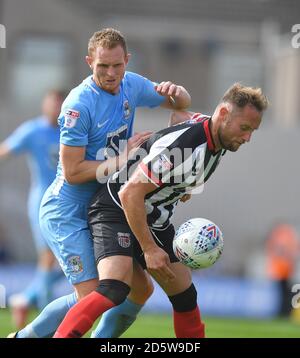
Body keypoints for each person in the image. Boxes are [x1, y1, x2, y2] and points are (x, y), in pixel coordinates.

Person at [10, 28, 191, 338]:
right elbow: (72, 172)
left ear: (127, 61)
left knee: (139, 290)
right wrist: (124, 159)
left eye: (117, 66)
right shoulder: (78, 105)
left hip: (102, 208)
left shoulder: (130, 84)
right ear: (89, 62)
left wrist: (176, 92)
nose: (110, 73)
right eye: (102, 66)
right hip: (66, 211)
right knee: (94, 293)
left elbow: (180, 104)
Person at [53, 82, 269, 338]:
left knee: (185, 295)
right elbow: (130, 193)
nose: (247, 137)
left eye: (252, 131)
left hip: (153, 215)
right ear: (223, 114)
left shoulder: (213, 134)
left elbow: (180, 116)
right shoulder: (182, 149)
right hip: (117, 209)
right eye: (244, 128)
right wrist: (149, 249)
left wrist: (182, 184)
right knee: (114, 288)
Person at [0, 90, 65, 329]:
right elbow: (4, 151)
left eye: (59, 104)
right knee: (48, 260)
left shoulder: (73, 130)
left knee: (79, 262)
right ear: (44, 104)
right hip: (43, 203)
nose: (54, 108)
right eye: (51, 103)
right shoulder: (33, 130)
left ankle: (26, 298)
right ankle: (48, 322)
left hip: (70, 203)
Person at [266, 223, 300, 317]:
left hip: (285, 271)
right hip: (283, 271)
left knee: (285, 293)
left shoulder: (281, 237)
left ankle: (285, 312)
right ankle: (285, 312)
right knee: (285, 293)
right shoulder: (286, 237)